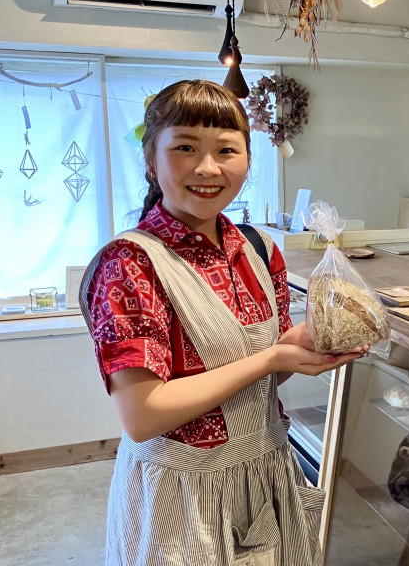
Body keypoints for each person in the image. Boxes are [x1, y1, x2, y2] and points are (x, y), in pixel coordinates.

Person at [80, 80, 364, 566]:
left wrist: (298, 346)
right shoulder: (130, 264)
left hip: (267, 472)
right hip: (182, 496)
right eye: (185, 148)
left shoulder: (258, 249)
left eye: (226, 150)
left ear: (248, 161)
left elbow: (260, 376)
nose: (208, 168)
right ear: (151, 160)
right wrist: (271, 359)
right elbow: (143, 416)